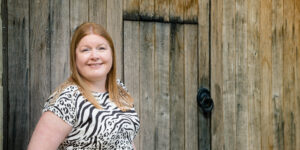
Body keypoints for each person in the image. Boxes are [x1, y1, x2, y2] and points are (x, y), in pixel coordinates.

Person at [28, 22, 140, 150]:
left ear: (112, 53)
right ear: (75, 57)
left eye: (101, 48)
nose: (95, 56)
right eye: (85, 50)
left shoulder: (119, 89)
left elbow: (125, 140)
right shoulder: (67, 99)